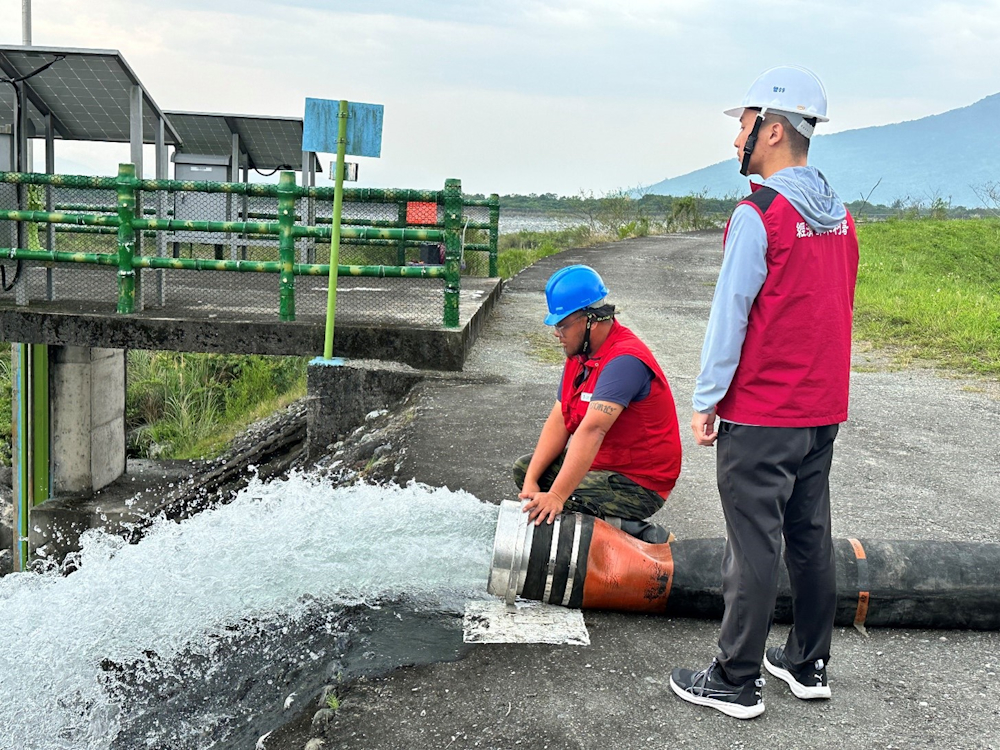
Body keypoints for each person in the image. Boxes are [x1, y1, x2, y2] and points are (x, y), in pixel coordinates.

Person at [670, 66, 860, 719]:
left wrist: (706, 399)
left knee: (753, 544)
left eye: (744, 128)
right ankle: (808, 664)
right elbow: (834, 311)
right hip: (820, 410)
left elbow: (732, 316)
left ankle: (734, 678)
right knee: (809, 537)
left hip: (762, 413)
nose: (736, 142)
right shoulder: (842, 219)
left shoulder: (760, 215)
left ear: (773, 130)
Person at [514, 265, 682, 543]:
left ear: (590, 319)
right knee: (527, 471)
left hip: (638, 482)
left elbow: (593, 430)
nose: (557, 333)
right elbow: (559, 418)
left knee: (567, 497)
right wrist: (531, 481)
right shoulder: (580, 355)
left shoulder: (624, 361)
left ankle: (649, 539)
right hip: (603, 467)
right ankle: (597, 525)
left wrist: (557, 496)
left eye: (562, 324)